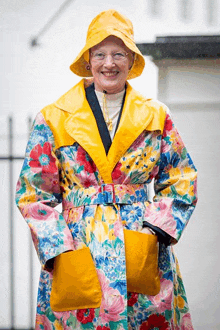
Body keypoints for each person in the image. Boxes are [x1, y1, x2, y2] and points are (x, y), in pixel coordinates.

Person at [15, 9, 197, 330]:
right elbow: (33, 194)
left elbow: (181, 179)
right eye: (99, 54)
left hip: (140, 242)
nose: (108, 63)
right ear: (88, 60)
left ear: (131, 60)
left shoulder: (156, 116)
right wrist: (60, 250)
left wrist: (153, 232)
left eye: (118, 54)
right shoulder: (53, 118)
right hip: (77, 246)